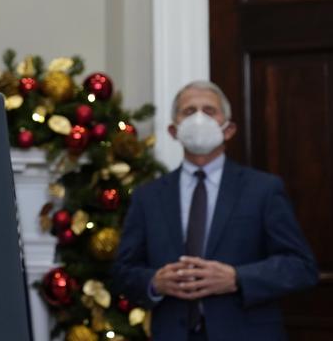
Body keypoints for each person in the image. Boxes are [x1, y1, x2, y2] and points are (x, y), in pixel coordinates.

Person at [113, 81, 317, 340]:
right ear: (174, 131)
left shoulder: (263, 189)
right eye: (189, 111)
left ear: (229, 129)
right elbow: (122, 271)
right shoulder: (148, 196)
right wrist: (154, 282)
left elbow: (301, 266)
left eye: (209, 111)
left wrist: (237, 278)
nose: (199, 118)